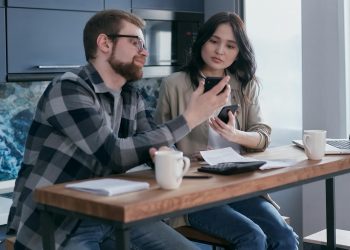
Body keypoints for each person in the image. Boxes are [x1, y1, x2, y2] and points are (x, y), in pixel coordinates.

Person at [6, 9, 231, 250]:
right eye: (136, 42)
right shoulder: (69, 87)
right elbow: (114, 154)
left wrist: (163, 153)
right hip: (60, 221)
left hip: (114, 212)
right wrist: (190, 117)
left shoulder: (131, 95)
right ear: (104, 43)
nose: (145, 52)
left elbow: (158, 142)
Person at [155, 12, 299, 249]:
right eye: (214, 41)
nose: (220, 50)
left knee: (284, 236)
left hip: (240, 187)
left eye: (230, 45)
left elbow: (262, 135)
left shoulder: (245, 84)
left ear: (238, 52)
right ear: (202, 41)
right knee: (252, 237)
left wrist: (235, 135)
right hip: (196, 192)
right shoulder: (174, 84)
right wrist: (184, 158)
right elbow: (160, 141)